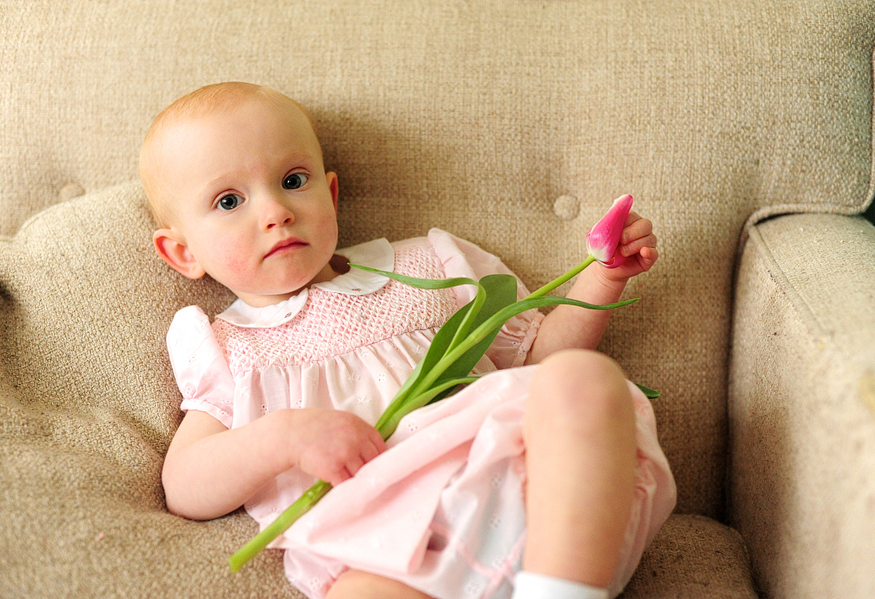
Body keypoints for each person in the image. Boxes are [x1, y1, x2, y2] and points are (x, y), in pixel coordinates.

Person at [140, 82, 676, 599]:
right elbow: (185, 485)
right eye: (230, 201)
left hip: (536, 502)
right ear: (184, 253)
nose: (275, 211)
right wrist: (282, 437)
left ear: (330, 193)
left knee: (583, 379)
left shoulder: (428, 265)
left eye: (293, 180)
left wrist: (602, 279)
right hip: (387, 548)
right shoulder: (231, 349)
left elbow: (537, 359)